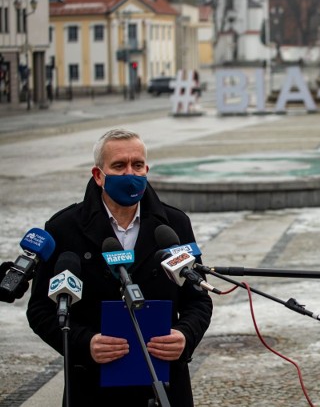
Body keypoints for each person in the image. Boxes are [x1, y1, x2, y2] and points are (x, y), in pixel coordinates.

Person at [26, 129, 213, 406]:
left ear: (146, 169)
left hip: (163, 384)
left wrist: (185, 334)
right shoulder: (64, 228)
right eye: (119, 165)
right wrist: (84, 343)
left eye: (137, 165)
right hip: (92, 386)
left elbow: (198, 300)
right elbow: (42, 309)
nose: (130, 173)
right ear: (98, 175)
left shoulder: (173, 225)